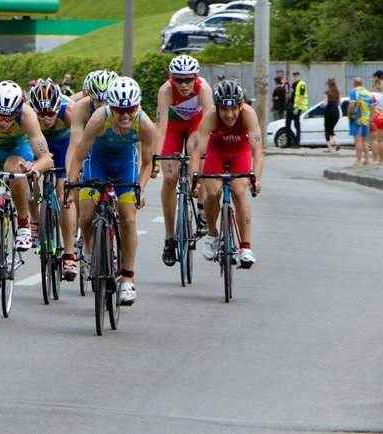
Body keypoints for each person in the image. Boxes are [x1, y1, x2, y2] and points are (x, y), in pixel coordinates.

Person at [67, 77, 156, 305]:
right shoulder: (99, 119)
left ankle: (127, 279)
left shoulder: (145, 124)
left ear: (137, 107)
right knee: (85, 214)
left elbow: (147, 164)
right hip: (97, 162)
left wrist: (140, 189)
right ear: (110, 107)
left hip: (125, 165)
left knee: (128, 217)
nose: (125, 115)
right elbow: (78, 155)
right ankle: (88, 250)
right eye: (119, 110)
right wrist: (70, 184)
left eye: (130, 109)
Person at [0, 80, 53, 303]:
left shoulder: (27, 116)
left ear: (17, 111)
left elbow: (46, 157)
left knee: (14, 167)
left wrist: (34, 168)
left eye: (9, 117)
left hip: (19, 151)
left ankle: (24, 224)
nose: (4, 121)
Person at [191, 80, 264, 268]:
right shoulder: (210, 117)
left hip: (240, 152)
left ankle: (245, 247)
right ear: (217, 108)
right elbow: (199, 152)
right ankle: (212, 233)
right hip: (217, 152)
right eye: (224, 109)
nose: (229, 115)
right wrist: (195, 178)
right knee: (212, 191)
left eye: (233, 109)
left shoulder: (248, 115)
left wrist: (256, 178)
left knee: (239, 191)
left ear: (241, 106)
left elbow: (257, 151)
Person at [155, 55, 214, 267]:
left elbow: (209, 125)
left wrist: (202, 157)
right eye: (178, 79)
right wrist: (156, 156)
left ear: (195, 78)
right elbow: (161, 127)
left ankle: (200, 207)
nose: (183, 84)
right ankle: (169, 238)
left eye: (188, 79)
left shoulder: (204, 89)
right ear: (171, 78)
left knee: (195, 152)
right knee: (170, 178)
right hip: (173, 126)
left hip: (197, 125)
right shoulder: (166, 91)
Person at [28, 78, 78, 280]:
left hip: (63, 143)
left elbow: (78, 144)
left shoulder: (68, 112)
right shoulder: (28, 114)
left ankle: (69, 253)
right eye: (41, 114)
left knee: (63, 192)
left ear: (58, 107)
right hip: (37, 142)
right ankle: (35, 220)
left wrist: (72, 170)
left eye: (50, 113)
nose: (46, 118)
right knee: (28, 180)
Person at [66, 70, 118, 177]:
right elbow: (75, 144)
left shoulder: (125, 109)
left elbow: (137, 141)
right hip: (93, 146)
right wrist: (70, 177)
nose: (103, 106)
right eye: (98, 101)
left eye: (107, 100)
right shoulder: (80, 108)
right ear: (89, 96)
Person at [347, 77, 374, 166]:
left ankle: (358, 161)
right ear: (362, 83)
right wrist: (370, 118)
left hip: (356, 119)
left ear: (354, 83)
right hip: (365, 120)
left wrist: (349, 115)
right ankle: (367, 160)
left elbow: (351, 105)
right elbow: (372, 107)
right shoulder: (368, 93)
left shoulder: (353, 91)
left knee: (358, 140)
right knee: (365, 141)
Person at [285, 72, 308, 146]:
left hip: (297, 107)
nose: (295, 78)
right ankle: (290, 141)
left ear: (299, 76)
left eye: (296, 76)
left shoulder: (302, 84)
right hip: (291, 106)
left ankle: (296, 142)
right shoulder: (294, 84)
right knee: (287, 124)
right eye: (294, 76)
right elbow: (292, 96)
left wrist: (297, 108)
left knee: (296, 125)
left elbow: (301, 96)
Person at [322, 78, 341, 153]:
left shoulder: (327, 92)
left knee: (327, 129)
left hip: (329, 111)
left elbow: (325, 103)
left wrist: (323, 104)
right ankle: (336, 143)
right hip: (336, 112)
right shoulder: (338, 92)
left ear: (328, 85)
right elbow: (340, 102)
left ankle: (330, 148)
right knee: (331, 129)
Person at [371, 75, 383, 165]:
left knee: (375, 140)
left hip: (376, 117)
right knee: (382, 140)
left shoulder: (373, 95)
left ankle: (375, 160)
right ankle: (382, 160)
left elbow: (371, 107)